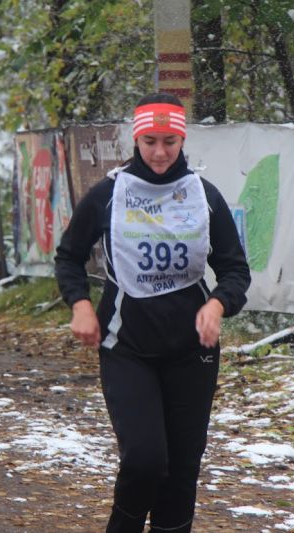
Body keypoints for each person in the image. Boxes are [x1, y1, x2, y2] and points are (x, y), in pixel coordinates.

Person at [54, 93, 251, 533]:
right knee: (144, 461)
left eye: (169, 142)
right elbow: (68, 257)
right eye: (150, 142)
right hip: (127, 348)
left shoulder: (204, 196)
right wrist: (80, 304)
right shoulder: (110, 193)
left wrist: (217, 304)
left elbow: (236, 269)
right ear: (136, 140)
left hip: (192, 352)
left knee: (181, 473)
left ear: (182, 140)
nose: (160, 153)